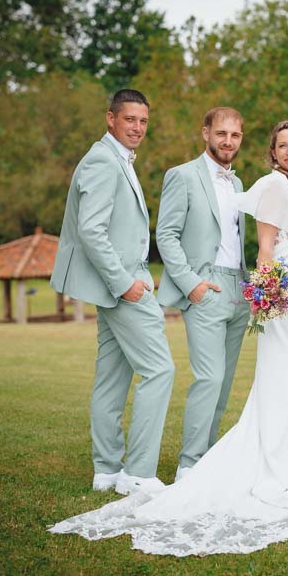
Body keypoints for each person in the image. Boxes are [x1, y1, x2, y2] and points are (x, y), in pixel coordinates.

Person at [48, 121, 288, 557]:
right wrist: (212, 286)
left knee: (270, 379)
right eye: (282, 145)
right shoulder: (229, 180)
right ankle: (190, 466)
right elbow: (183, 236)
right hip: (258, 289)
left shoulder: (270, 184)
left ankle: (275, 460)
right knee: (213, 377)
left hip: (252, 286)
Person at [50, 89, 174, 496]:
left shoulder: (115, 158)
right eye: (130, 120)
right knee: (160, 370)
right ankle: (138, 472)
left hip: (121, 283)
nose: (137, 128)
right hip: (122, 286)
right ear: (111, 118)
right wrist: (125, 284)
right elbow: (90, 230)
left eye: (143, 121)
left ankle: (106, 471)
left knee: (111, 379)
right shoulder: (104, 160)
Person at [155, 107, 250, 482]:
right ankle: (189, 465)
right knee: (208, 378)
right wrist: (192, 284)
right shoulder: (182, 176)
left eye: (235, 135)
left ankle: (207, 459)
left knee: (224, 384)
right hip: (204, 285)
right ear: (205, 133)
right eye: (221, 134)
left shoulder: (239, 184)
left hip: (239, 289)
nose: (228, 141)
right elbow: (166, 235)